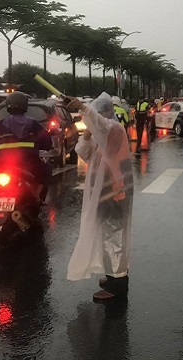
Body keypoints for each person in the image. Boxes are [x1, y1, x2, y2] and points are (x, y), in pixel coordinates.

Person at [66, 92, 134, 302]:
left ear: (105, 113)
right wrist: (86, 135)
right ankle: (112, 274)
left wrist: (85, 109)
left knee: (114, 236)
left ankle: (117, 285)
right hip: (104, 191)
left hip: (116, 191)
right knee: (106, 233)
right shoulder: (99, 135)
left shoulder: (114, 129)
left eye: (99, 112)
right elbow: (83, 153)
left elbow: (100, 123)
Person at [0, 91, 52, 198]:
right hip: (29, 163)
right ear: (25, 106)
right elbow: (47, 142)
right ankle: (38, 197)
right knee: (47, 169)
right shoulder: (33, 123)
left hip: (2, 162)